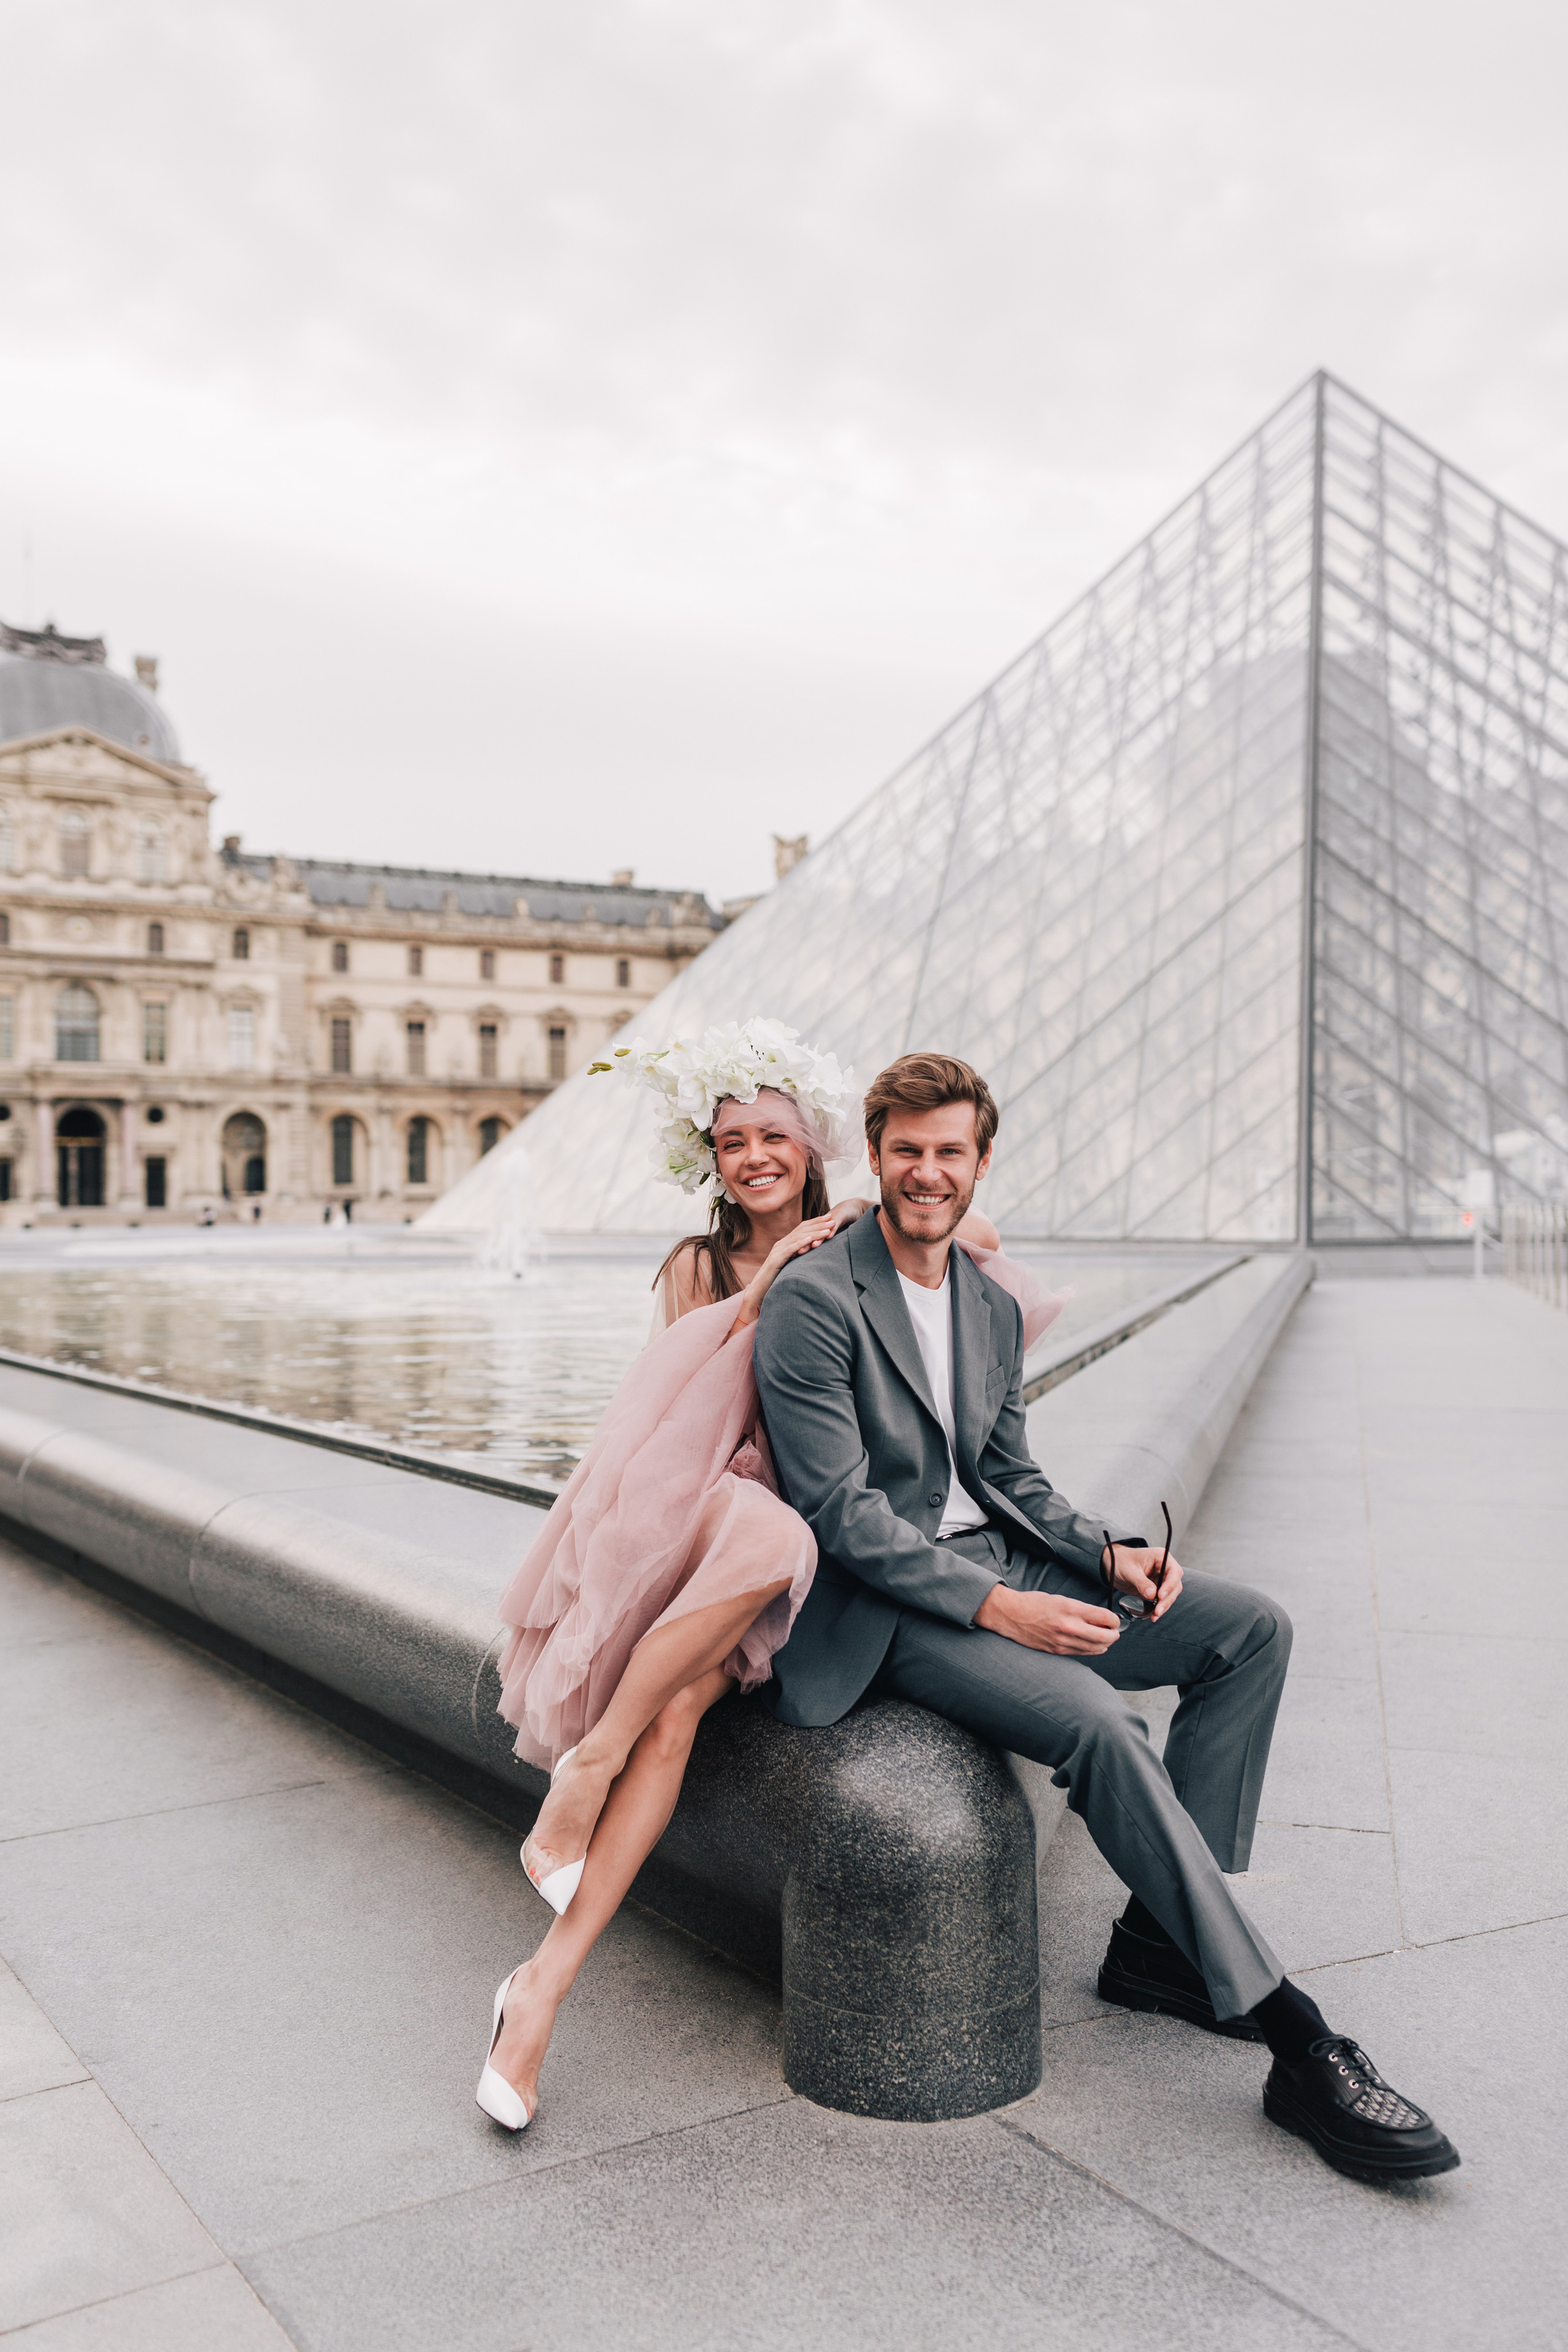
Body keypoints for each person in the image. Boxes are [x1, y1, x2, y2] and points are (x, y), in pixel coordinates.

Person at [752, 1050, 1459, 2187]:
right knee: (1102, 1724)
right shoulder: (815, 1300)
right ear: (874, 1158)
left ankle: (1158, 1947)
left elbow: (1008, 1472)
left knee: (1250, 1631)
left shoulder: (987, 1302)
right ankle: (1295, 2038)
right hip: (892, 1607)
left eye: (950, 1152)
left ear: (983, 1160)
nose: (927, 1174)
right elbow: (841, 1515)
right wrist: (1008, 1611)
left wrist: (1105, 1553)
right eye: (906, 1152)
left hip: (1003, 1560)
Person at [474, 1020, 1050, 2132]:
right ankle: (559, 1906)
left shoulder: (864, 1237)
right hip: (705, 1528)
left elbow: (974, 1224)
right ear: (712, 1160)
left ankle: (543, 1958)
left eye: (774, 1135)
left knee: (687, 1694)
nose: (755, 1157)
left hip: (807, 1541)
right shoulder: (694, 1267)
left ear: (813, 1143)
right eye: (731, 1140)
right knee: (750, 1566)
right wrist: (760, 1291)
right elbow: (670, 1425)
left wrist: (849, 1234)